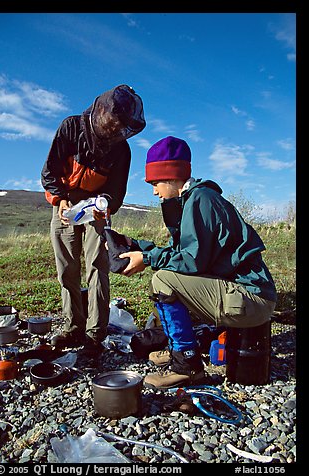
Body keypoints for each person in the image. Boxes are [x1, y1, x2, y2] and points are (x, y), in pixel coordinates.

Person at [116, 136, 277, 389]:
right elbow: (181, 252)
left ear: (171, 176)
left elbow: (191, 262)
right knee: (168, 274)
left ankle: (187, 366)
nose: (154, 190)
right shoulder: (195, 200)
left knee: (163, 280)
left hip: (252, 300)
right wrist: (136, 246)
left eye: (155, 182)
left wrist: (147, 259)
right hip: (246, 296)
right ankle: (178, 349)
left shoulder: (201, 200)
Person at [41, 84, 146, 359]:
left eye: (119, 126)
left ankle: (94, 334)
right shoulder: (70, 128)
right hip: (64, 203)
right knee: (67, 268)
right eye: (111, 122)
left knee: (99, 267)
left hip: (96, 208)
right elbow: (49, 170)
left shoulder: (121, 150)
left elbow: (116, 189)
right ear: (100, 111)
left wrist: (106, 205)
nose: (113, 130)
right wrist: (61, 198)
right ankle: (73, 326)